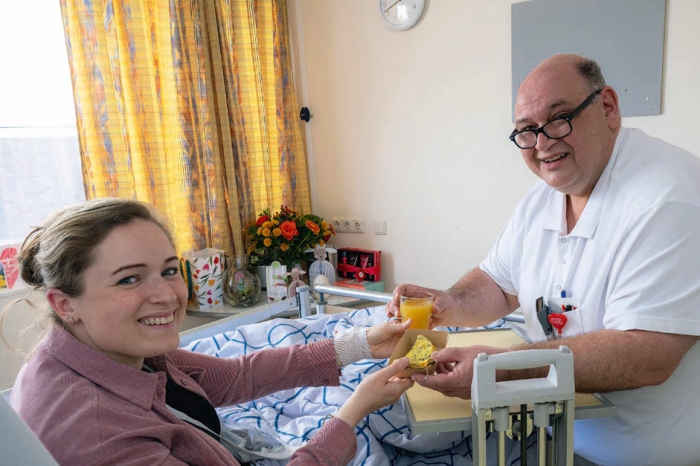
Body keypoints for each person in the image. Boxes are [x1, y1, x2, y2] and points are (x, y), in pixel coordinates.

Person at [388, 54, 700, 466]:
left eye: (559, 118)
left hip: (641, 453)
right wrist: (447, 302)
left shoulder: (670, 199)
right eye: (526, 131)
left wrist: (497, 369)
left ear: (607, 107)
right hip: (552, 436)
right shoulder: (543, 198)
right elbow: (498, 284)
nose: (542, 142)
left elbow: (646, 355)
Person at [7, 197, 414, 465]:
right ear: (65, 304)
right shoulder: (98, 437)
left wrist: (361, 342)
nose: (166, 296)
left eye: (169, 270)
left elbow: (235, 376)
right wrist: (353, 411)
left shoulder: (108, 352)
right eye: (129, 280)